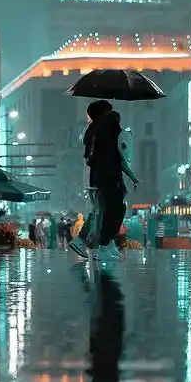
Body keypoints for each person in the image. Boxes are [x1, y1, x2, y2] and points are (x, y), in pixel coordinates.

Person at [70, 100, 138, 267]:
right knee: (112, 210)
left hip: (95, 176)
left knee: (100, 211)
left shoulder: (92, 130)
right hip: (110, 175)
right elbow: (120, 154)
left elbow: (90, 156)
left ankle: (104, 244)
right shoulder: (110, 127)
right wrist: (131, 175)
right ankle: (104, 246)